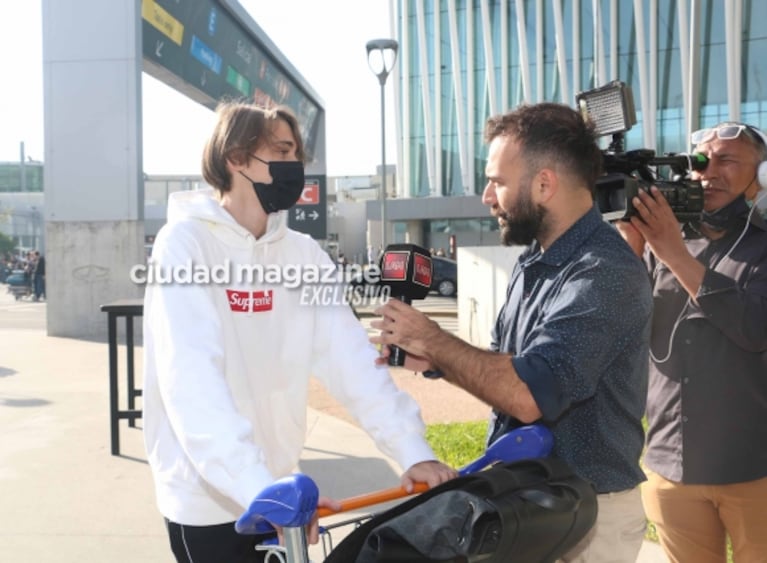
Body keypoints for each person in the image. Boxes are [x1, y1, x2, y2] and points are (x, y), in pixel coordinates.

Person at [142, 101, 456, 563]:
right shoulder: (185, 243)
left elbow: (352, 363)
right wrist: (257, 487)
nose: (295, 168)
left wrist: (412, 450)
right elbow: (191, 381)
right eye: (282, 151)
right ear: (235, 156)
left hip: (280, 492)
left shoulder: (304, 256)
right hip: (209, 503)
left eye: (297, 156)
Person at [372, 102, 653, 562]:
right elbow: (509, 372)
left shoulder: (604, 273)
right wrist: (439, 362)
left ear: (544, 184)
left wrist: (435, 341)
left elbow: (528, 395)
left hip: (588, 522)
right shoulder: (533, 262)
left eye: (498, 182)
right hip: (534, 507)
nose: (486, 196)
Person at [616, 121, 767, 562]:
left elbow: (754, 329)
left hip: (752, 469)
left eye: (727, 160)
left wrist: (673, 255)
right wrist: (633, 245)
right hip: (668, 466)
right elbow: (622, 323)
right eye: (702, 161)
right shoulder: (666, 241)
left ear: (757, 179)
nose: (709, 172)